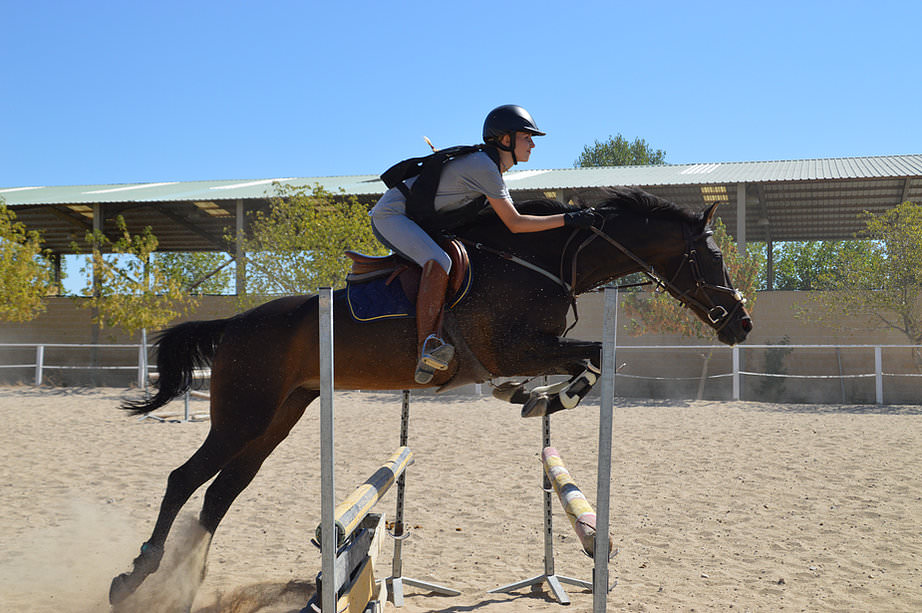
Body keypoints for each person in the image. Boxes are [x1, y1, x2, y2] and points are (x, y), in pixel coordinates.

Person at [370, 104, 599, 384]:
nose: (532, 145)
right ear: (505, 139)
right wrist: (568, 219)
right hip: (391, 217)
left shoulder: (489, 166)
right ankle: (427, 345)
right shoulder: (484, 167)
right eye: (527, 137)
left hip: (414, 218)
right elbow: (515, 223)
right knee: (440, 260)